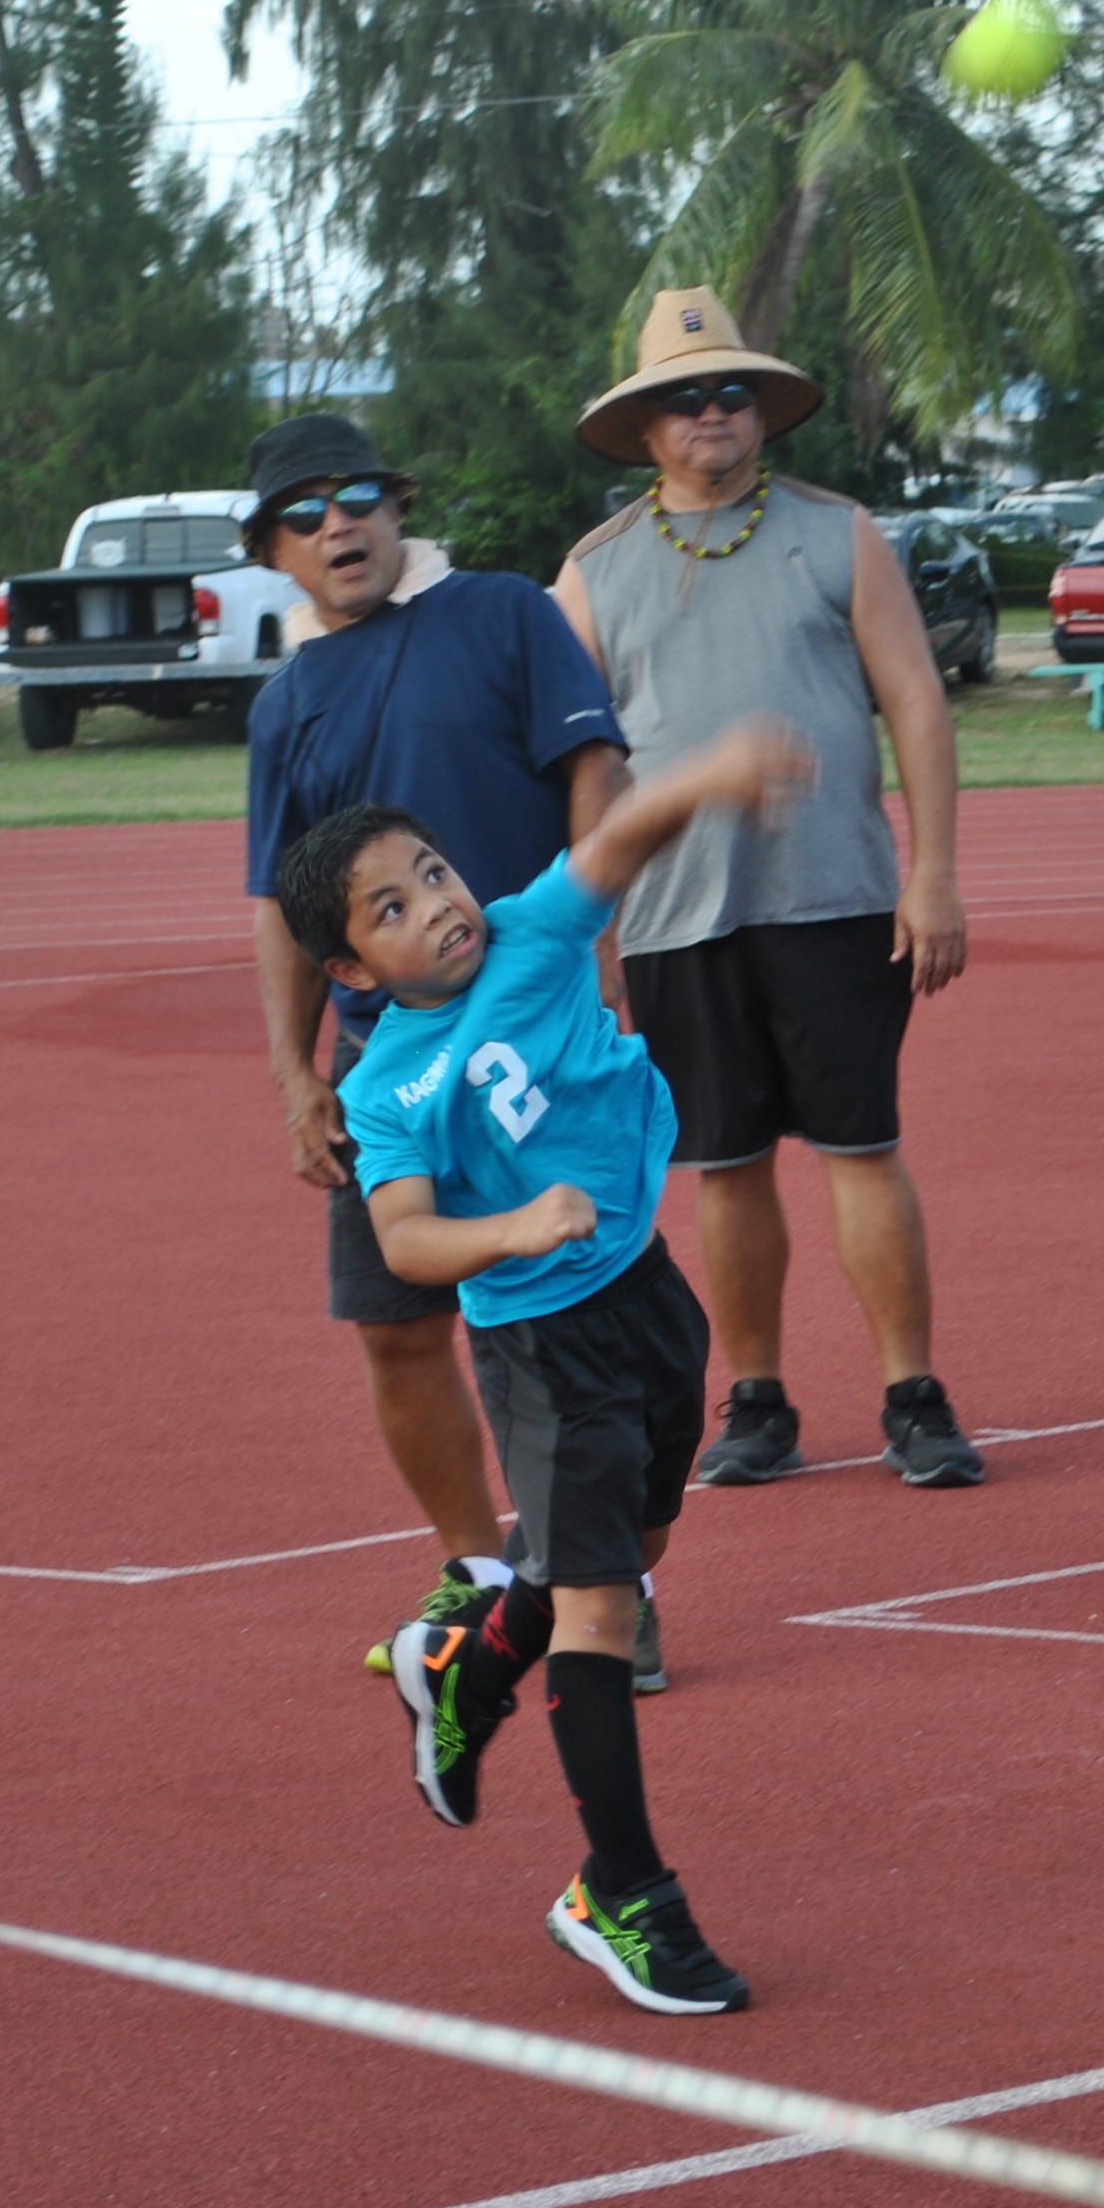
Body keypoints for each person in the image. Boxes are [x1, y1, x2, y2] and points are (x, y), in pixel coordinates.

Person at [278, 723, 815, 2015]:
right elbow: (404, 1235)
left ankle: (463, 1663)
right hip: (541, 1343)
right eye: (394, 908)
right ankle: (619, 1894)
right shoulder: (391, 1083)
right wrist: (512, 1229)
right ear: (354, 966)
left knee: (635, 1549)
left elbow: (616, 839)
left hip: (646, 1297)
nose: (439, 907)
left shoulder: (530, 930)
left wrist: (713, 773)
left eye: (435, 873)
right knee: (602, 1610)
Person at [237, 416, 656, 1685]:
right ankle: (486, 1574)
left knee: (565, 1336)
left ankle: (605, 1594)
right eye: (304, 514)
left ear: (398, 504)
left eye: (358, 495)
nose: (338, 524)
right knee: (397, 1327)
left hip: (525, 1054)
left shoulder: (501, 613)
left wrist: (593, 954)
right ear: (272, 552)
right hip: (393, 1070)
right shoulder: (285, 704)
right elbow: (283, 901)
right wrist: (297, 1070)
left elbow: (596, 768)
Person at [554, 289, 977, 1491]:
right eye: (685, 399)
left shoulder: (838, 533)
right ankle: (758, 1400)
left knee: (862, 1143)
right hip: (676, 915)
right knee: (725, 1164)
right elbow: (585, 766)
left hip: (835, 895)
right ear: (645, 427)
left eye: (732, 393)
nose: (713, 416)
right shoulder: (592, 574)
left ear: (763, 413)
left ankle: (912, 1393)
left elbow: (916, 702)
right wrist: (593, 937)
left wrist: (933, 872)